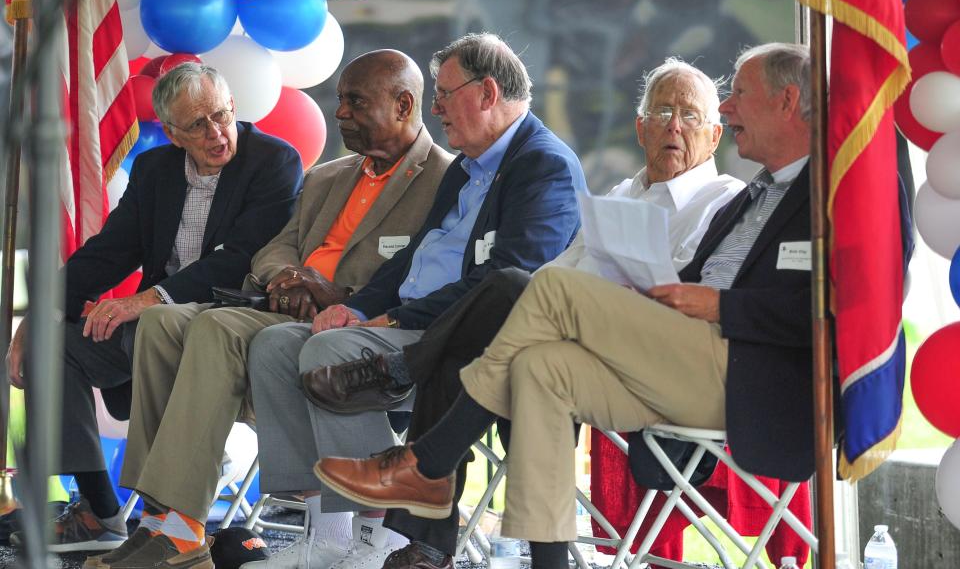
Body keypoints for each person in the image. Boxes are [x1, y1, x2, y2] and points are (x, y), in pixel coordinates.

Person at [314, 43, 820, 569]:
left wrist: (717, 305)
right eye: (662, 113)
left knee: (524, 286)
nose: (730, 107)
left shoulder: (818, 194)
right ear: (639, 126)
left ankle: (423, 446)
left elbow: (832, 315)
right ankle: (547, 560)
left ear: (786, 102)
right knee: (538, 365)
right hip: (648, 351)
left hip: (737, 371)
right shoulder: (751, 196)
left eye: (735, 96)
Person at [86, 51, 452, 569]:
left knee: (213, 325)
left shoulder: (443, 179)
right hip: (286, 308)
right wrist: (288, 275)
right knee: (162, 320)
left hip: (360, 322)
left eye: (354, 101)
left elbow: (422, 272)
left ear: (403, 105)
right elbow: (275, 246)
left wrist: (330, 290)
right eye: (342, 100)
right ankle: (159, 515)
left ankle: (184, 527)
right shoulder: (328, 176)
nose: (339, 112)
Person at [244, 33, 586, 569]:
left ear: (488, 92)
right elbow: (409, 261)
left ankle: (376, 534)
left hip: (461, 338)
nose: (436, 107)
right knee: (273, 346)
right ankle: (327, 532)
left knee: (327, 353)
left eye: (446, 93)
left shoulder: (543, 167)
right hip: (405, 323)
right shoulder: (466, 168)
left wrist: (395, 316)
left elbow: (508, 285)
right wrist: (357, 308)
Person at [5, 63, 303, 553]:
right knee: (52, 346)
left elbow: (241, 259)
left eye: (222, 115)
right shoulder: (155, 169)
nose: (217, 132)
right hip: (152, 324)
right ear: (172, 133)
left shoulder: (273, 161)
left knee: (154, 323)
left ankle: (167, 518)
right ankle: (100, 510)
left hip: (228, 321)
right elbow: (109, 251)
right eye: (198, 125)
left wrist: (146, 299)